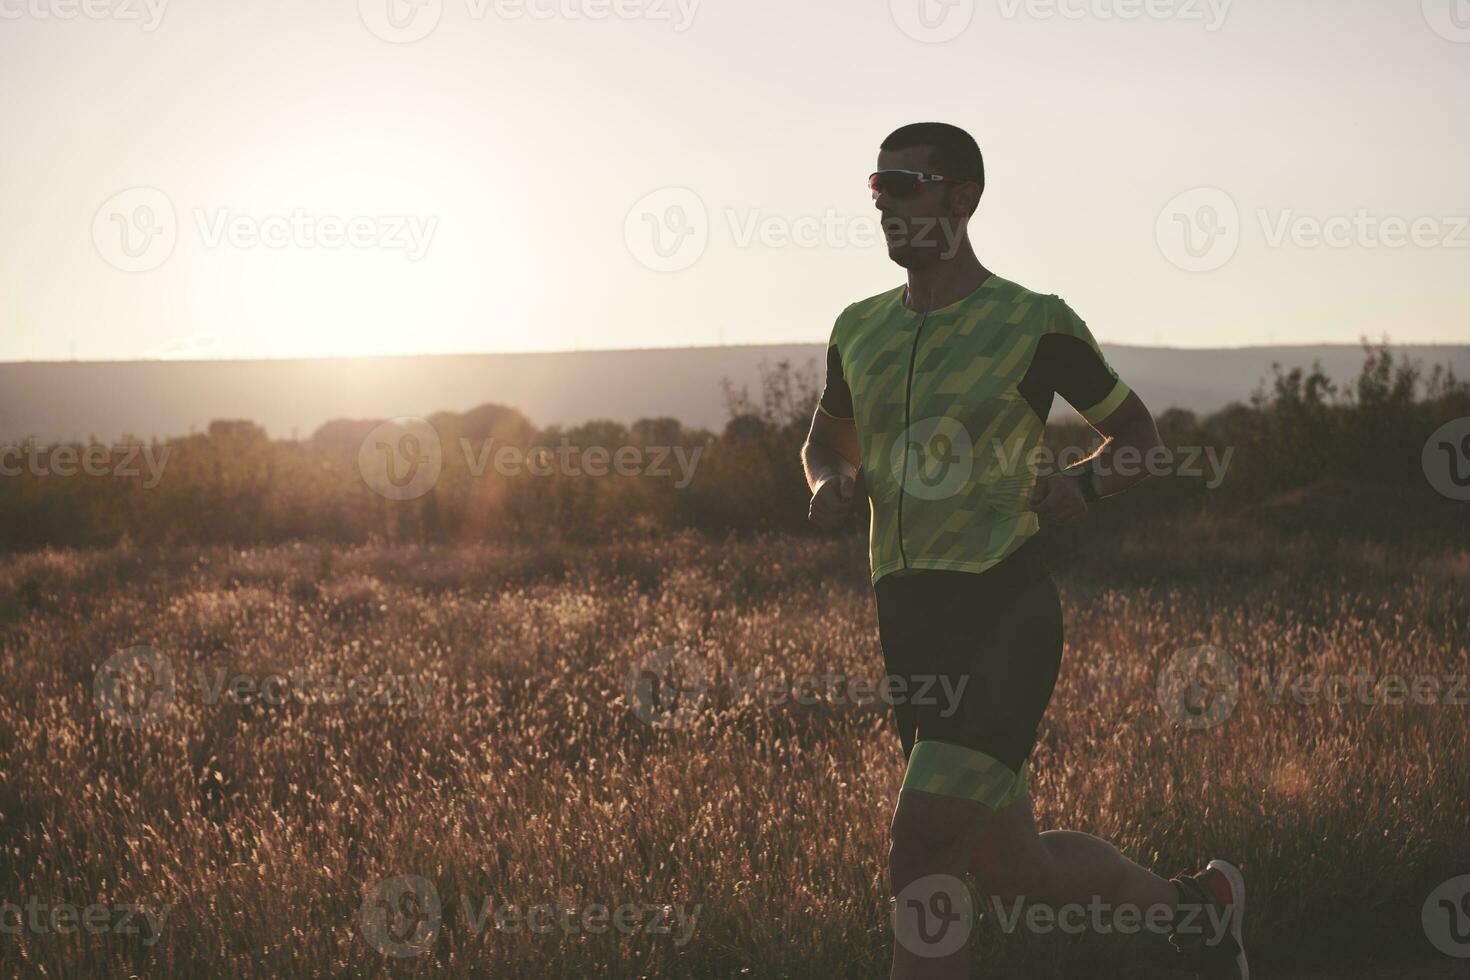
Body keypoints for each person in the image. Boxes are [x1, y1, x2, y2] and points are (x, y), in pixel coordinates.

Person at [800, 122, 1248, 980]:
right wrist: (826, 480)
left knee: (922, 849)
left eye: (909, 184)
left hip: (1003, 610)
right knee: (1014, 871)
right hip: (910, 626)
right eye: (877, 186)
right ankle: (1200, 914)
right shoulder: (857, 328)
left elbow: (1141, 442)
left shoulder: (1031, 322)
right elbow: (825, 443)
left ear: (963, 197)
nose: (887, 204)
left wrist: (1081, 486)